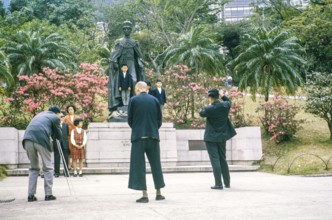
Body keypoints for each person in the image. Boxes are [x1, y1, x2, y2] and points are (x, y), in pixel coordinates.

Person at [127, 81, 165, 203]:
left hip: (139, 137)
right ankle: (159, 193)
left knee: (139, 166)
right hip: (153, 136)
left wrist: (137, 128)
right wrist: (153, 129)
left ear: (138, 89)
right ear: (146, 88)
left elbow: (130, 119)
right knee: (156, 164)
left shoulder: (133, 100)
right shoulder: (155, 100)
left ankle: (145, 194)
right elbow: (159, 119)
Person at [23, 105, 62, 202]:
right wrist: (59, 126)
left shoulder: (40, 115)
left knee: (33, 167)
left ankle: (30, 195)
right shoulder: (55, 117)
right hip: (41, 140)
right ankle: (48, 195)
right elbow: (59, 136)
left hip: (27, 139)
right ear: (57, 113)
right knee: (48, 167)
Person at [199, 88, 237, 190]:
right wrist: (223, 96)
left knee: (215, 160)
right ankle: (227, 182)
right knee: (222, 159)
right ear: (218, 96)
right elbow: (229, 102)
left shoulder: (209, 108)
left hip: (211, 138)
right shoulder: (225, 106)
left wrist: (205, 107)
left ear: (210, 98)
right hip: (222, 137)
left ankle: (218, 184)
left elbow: (201, 113)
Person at [108, 20, 145, 115]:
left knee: (133, 80)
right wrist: (114, 62)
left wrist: (140, 62)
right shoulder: (119, 42)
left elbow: (139, 55)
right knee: (120, 83)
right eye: (125, 29)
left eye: (128, 29)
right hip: (121, 64)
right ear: (123, 30)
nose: (127, 30)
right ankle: (121, 103)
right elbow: (114, 55)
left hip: (131, 63)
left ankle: (133, 101)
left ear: (131, 30)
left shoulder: (134, 42)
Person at [53, 112, 70, 177]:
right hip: (57, 143)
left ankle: (66, 172)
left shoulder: (66, 124)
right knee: (57, 158)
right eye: (60, 117)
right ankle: (57, 173)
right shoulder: (55, 125)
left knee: (65, 158)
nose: (61, 118)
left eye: (63, 116)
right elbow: (53, 134)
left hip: (65, 143)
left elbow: (67, 133)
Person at [63, 104, 79, 170]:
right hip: (68, 136)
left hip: (75, 136)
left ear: (74, 110)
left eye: (71, 109)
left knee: (75, 151)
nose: (70, 110)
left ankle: (74, 164)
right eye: (69, 109)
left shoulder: (77, 117)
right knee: (69, 151)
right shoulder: (65, 118)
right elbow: (63, 127)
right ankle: (69, 165)